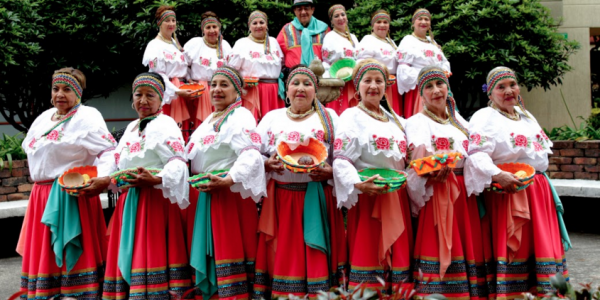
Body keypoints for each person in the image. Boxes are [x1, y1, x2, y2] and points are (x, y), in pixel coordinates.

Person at [464, 66, 571, 299]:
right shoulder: (485, 117)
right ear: (490, 93)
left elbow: (540, 154)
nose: (508, 91)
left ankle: (545, 293)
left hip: (538, 192)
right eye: (500, 87)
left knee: (540, 247)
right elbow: (476, 154)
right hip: (510, 190)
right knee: (517, 249)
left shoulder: (526, 115)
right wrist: (496, 174)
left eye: (512, 85)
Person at [19, 68, 115, 298]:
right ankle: (46, 292)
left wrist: (100, 178)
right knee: (45, 255)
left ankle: (77, 293)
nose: (60, 94)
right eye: (56, 89)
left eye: (67, 89)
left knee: (72, 253)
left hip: (70, 194)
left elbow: (110, 151)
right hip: (41, 196)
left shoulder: (86, 117)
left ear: (79, 93)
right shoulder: (44, 118)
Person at [253, 65, 345, 299]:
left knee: (317, 258)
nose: (301, 88)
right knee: (284, 256)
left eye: (307, 84)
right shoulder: (272, 118)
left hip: (318, 197)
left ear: (316, 90)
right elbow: (253, 152)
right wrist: (265, 164)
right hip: (281, 199)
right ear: (286, 89)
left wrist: (331, 172)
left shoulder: (329, 118)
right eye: (296, 83)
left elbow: (344, 157)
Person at [102, 72, 192, 299]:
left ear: (161, 99)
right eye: (138, 95)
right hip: (130, 200)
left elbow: (178, 161)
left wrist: (157, 179)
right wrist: (107, 181)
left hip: (154, 201)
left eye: (150, 95)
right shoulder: (132, 127)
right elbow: (116, 162)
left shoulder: (166, 124)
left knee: (152, 249)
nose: (143, 101)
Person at [406, 66, 489, 299]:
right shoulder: (417, 122)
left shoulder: (460, 123)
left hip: (464, 195)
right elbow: (416, 162)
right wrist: (430, 171)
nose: (436, 91)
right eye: (429, 87)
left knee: (466, 248)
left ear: (447, 88)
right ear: (421, 95)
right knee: (439, 245)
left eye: (439, 84)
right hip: (438, 193)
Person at [184, 66, 267, 299]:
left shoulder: (241, 116)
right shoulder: (209, 120)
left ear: (238, 90)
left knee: (229, 251)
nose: (217, 90)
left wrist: (229, 179)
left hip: (228, 195)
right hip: (207, 194)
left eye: (224, 85)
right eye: (214, 85)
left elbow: (250, 154)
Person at [333, 59, 413, 292]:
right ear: (357, 87)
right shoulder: (351, 116)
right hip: (369, 195)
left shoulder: (394, 119)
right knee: (370, 256)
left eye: (379, 81)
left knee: (397, 259)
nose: (374, 86)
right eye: (367, 81)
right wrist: (358, 183)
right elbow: (341, 158)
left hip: (397, 197)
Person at [143, 5, 197, 140]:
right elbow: (158, 75)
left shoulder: (175, 43)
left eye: (173, 20)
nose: (171, 23)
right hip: (170, 93)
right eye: (167, 20)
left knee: (185, 129)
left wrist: (189, 79)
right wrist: (176, 91)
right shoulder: (154, 46)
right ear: (159, 23)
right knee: (170, 129)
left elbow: (182, 68)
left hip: (182, 91)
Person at [228, 10, 285, 120]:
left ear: (266, 25)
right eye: (254, 23)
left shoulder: (273, 42)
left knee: (273, 122)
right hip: (252, 91)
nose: (258, 26)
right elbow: (231, 69)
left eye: (261, 22)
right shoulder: (242, 43)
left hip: (273, 91)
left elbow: (281, 65)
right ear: (249, 26)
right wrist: (242, 83)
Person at [184, 11, 233, 135]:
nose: (212, 30)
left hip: (220, 90)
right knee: (201, 125)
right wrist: (189, 79)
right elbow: (183, 64)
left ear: (219, 28)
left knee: (220, 123)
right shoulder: (194, 44)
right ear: (203, 30)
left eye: (214, 27)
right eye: (208, 27)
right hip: (201, 91)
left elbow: (231, 69)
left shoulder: (225, 46)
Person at [396, 8, 451, 118]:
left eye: (426, 19)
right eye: (420, 19)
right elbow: (403, 68)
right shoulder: (408, 41)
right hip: (420, 86)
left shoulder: (432, 42)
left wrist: (444, 72)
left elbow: (443, 60)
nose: (423, 22)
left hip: (438, 84)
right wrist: (424, 77)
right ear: (413, 23)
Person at [277, 0, 330, 100]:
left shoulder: (324, 29)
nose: (303, 12)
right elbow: (277, 57)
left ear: (312, 10)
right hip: (294, 83)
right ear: (294, 11)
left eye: (306, 8)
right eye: (299, 9)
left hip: (319, 83)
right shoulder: (286, 30)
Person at [356, 10, 401, 115]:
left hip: (393, 86)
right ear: (372, 25)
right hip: (376, 85)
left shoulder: (391, 43)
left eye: (385, 22)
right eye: (378, 22)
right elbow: (363, 65)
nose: (382, 25)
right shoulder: (368, 40)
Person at [321, 4, 360, 115]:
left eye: (343, 15)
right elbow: (327, 62)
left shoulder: (353, 37)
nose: (341, 18)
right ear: (332, 21)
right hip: (339, 81)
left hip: (353, 80)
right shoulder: (330, 37)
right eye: (336, 16)